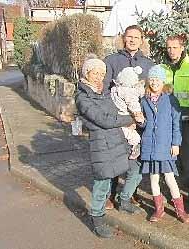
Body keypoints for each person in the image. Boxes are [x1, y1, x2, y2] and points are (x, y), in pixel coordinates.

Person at [75, 56, 142, 238]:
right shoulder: (82, 97)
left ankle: (124, 199)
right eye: (95, 73)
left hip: (117, 138)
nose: (98, 77)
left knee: (135, 169)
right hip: (101, 144)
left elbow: (113, 114)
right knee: (102, 182)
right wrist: (129, 119)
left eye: (102, 73)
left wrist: (121, 120)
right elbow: (103, 120)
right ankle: (97, 218)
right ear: (86, 74)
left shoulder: (104, 91)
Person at [103, 24, 155, 209]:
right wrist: (115, 118)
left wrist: (141, 119)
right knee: (116, 158)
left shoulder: (148, 64)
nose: (132, 40)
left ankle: (130, 193)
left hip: (140, 121)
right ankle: (110, 194)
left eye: (136, 37)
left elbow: (151, 92)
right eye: (129, 36)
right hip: (118, 120)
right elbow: (105, 91)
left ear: (142, 41)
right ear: (124, 38)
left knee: (135, 159)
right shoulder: (112, 60)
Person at [140, 65, 189, 223]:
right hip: (150, 146)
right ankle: (159, 209)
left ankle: (180, 211)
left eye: (158, 79)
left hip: (165, 146)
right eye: (152, 79)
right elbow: (142, 124)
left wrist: (176, 143)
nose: (155, 82)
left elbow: (176, 124)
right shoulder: (144, 100)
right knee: (153, 179)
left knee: (170, 179)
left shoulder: (171, 100)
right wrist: (140, 121)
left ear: (163, 82)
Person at [161, 34, 189, 207]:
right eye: (169, 48)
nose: (172, 51)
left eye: (175, 47)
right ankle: (172, 192)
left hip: (186, 119)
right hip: (166, 120)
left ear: (182, 48)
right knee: (168, 157)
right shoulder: (162, 69)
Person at [110, 66, 145, 160]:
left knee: (124, 132)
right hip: (125, 115)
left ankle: (133, 147)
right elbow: (133, 104)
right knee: (132, 134)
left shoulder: (114, 89)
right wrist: (139, 116)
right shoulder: (128, 91)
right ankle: (136, 146)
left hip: (116, 115)